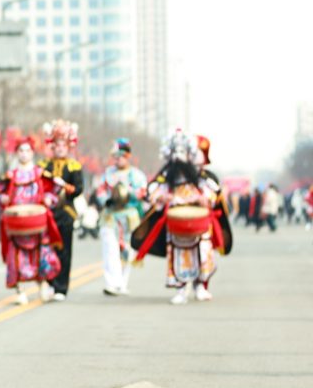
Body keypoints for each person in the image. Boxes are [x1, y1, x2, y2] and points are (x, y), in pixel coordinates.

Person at [131, 129, 233, 304]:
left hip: (198, 220)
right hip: (175, 220)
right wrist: (162, 197)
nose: (178, 156)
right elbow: (153, 190)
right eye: (175, 152)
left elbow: (213, 191)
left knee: (202, 250)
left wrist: (204, 199)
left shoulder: (199, 176)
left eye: (182, 152)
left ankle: (201, 286)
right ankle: (181, 288)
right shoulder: (166, 176)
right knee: (177, 252)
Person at [0, 138, 62, 305]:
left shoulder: (41, 173)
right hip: (17, 223)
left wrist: (49, 199)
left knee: (42, 252)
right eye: (21, 151)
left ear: (32, 153)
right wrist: (4, 198)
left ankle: (43, 284)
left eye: (27, 151)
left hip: (37, 221)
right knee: (16, 255)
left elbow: (55, 190)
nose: (24, 154)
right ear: (17, 153)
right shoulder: (10, 175)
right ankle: (19, 290)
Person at [94, 138, 148, 296]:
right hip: (110, 215)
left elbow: (142, 193)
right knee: (109, 248)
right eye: (116, 156)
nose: (118, 159)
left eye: (121, 156)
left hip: (129, 215)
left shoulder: (136, 175)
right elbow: (100, 191)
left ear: (128, 156)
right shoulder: (108, 173)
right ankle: (111, 283)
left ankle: (122, 283)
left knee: (127, 251)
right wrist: (105, 199)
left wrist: (127, 190)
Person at [39, 120, 83, 301]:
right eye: (56, 145)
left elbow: (79, 189)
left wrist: (65, 186)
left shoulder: (74, 166)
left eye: (63, 145)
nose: (59, 149)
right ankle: (49, 282)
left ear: (69, 147)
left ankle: (61, 287)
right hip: (47, 213)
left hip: (66, 213)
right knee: (47, 248)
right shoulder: (43, 166)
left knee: (64, 250)